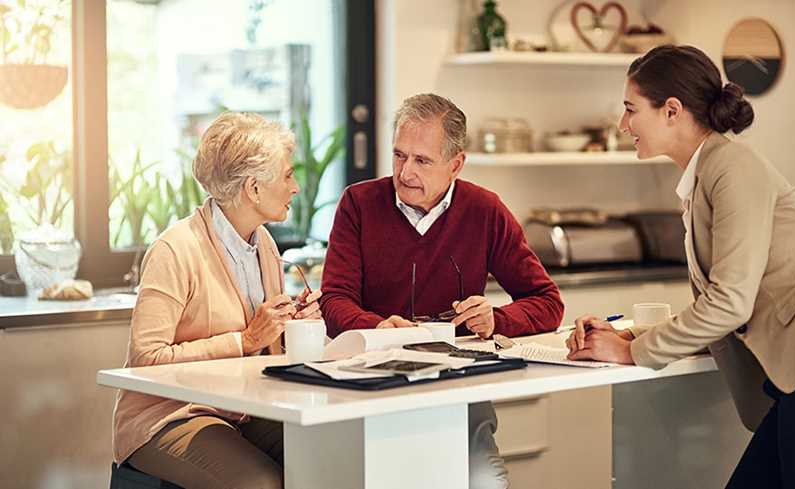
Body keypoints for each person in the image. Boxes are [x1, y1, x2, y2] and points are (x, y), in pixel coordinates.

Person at [565, 45, 795, 489]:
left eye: (631, 109)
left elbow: (729, 304)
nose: (622, 125)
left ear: (671, 111)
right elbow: (723, 304)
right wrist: (631, 334)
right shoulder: (705, 175)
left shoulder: (732, 168)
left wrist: (631, 352)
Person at [321, 93, 564, 488]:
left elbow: (547, 302)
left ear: (456, 164)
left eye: (422, 160)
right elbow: (333, 300)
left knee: (487, 484)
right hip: (373, 384)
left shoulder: (485, 210)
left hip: (457, 385)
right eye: (399, 156)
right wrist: (378, 328)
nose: (404, 172)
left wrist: (495, 319)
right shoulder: (359, 204)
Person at [112, 112, 322, 489]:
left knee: (332, 455)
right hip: (168, 417)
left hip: (243, 410)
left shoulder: (264, 245)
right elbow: (147, 359)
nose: (296, 187)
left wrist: (292, 325)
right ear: (253, 189)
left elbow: (264, 348)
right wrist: (245, 340)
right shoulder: (174, 250)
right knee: (260, 483)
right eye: (288, 175)